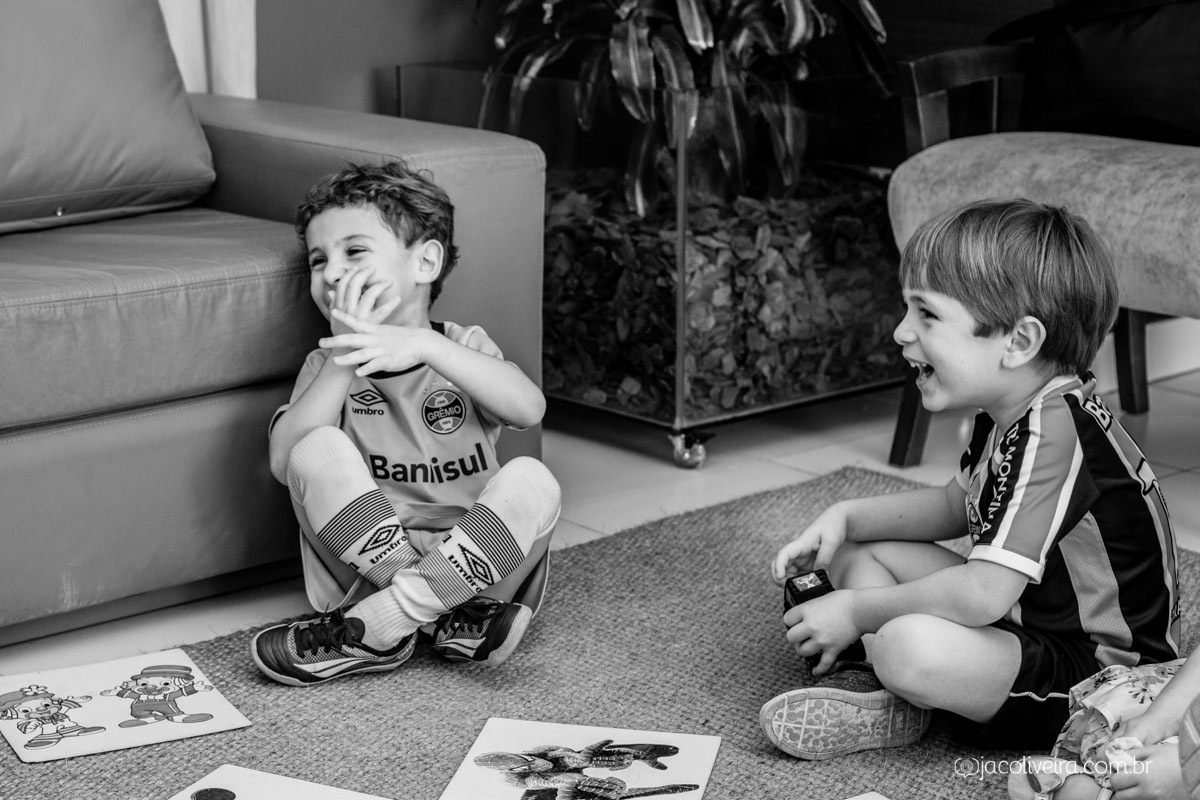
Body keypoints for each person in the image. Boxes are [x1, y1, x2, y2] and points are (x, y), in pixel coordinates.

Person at [760, 199, 1179, 761]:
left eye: (926, 314)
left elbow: (981, 594)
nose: (900, 332)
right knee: (863, 548)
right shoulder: (1011, 409)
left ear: (1018, 342)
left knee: (909, 645)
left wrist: (858, 610)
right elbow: (955, 506)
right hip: (1030, 614)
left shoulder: (1055, 436)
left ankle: (897, 684)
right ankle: (905, 691)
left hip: (1105, 681)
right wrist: (846, 517)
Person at [249, 161, 561, 686]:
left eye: (354, 251)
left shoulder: (462, 348)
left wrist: (423, 344)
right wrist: (346, 356)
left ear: (426, 263)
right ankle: (421, 606)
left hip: (477, 574)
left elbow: (528, 410)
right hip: (366, 570)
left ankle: (383, 626)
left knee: (534, 479)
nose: (331, 273)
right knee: (317, 446)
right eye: (318, 260)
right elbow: (288, 464)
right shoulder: (326, 366)